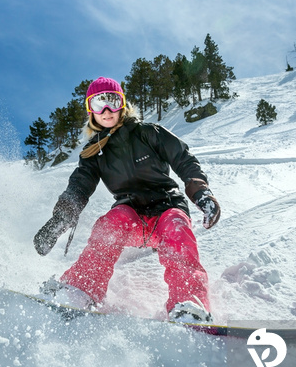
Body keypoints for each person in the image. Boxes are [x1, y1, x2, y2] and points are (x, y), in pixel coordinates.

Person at [33, 77, 221, 323]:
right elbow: (79, 186)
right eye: (100, 103)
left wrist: (200, 192)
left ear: (122, 104)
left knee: (177, 229)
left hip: (166, 208)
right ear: (91, 110)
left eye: (113, 101)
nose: (107, 110)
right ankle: (80, 289)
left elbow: (183, 158)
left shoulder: (147, 133)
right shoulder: (94, 152)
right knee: (109, 225)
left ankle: (188, 304)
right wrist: (61, 218)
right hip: (130, 213)